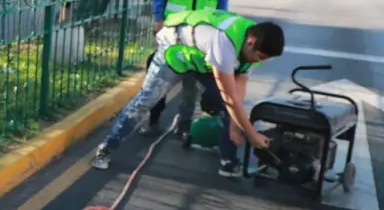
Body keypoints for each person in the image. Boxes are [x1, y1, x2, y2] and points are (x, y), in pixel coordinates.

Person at [92, 9, 284, 177]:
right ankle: (107, 147)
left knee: (229, 110)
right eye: (261, 56)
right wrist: (252, 135)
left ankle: (228, 161)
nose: (261, 61)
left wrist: (236, 126)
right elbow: (230, 98)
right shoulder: (225, 42)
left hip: (200, 59)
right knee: (145, 102)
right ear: (251, 42)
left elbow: (239, 86)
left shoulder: (251, 46)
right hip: (174, 54)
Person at [138, 0, 234, 139]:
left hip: (202, 31)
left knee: (193, 83)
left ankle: (184, 125)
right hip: (172, 28)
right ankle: (153, 121)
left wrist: (220, 25)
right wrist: (159, 18)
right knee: (159, 79)